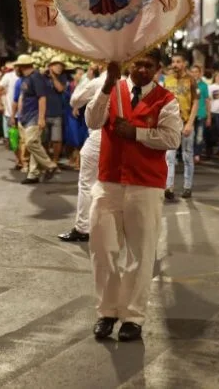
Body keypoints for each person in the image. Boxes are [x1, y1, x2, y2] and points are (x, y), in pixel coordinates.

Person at [85, 50, 181, 342]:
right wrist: (105, 85)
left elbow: (172, 138)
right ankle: (106, 313)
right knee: (103, 250)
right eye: (137, 63)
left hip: (146, 185)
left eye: (148, 65)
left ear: (158, 69)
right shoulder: (111, 89)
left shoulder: (167, 100)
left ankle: (132, 317)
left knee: (141, 253)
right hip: (109, 181)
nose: (141, 69)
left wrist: (137, 133)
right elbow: (92, 120)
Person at [59, 67, 106, 243]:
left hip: (99, 137)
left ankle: (83, 227)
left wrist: (88, 77)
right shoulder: (128, 82)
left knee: (87, 183)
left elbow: (75, 100)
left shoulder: (98, 81)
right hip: (124, 139)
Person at [16, 54, 57, 183]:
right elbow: (23, 97)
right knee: (34, 144)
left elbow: (42, 98)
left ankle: (50, 165)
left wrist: (41, 118)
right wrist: (19, 115)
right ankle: (33, 174)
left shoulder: (35, 77)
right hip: (25, 115)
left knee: (31, 142)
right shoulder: (25, 78)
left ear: (22, 66)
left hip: (34, 115)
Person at [163, 51, 198, 200]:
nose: (175, 65)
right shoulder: (168, 80)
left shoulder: (191, 80)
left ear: (184, 64)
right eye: (173, 62)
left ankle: (187, 187)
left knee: (187, 156)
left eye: (178, 62)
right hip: (171, 123)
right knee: (169, 156)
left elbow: (196, 101)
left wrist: (190, 123)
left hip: (185, 123)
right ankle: (168, 187)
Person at [191, 64, 210, 162]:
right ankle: (188, 153)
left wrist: (209, 116)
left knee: (199, 135)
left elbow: (207, 100)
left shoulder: (204, 85)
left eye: (196, 72)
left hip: (201, 114)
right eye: (193, 72)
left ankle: (196, 154)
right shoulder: (188, 84)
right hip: (189, 115)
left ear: (200, 73)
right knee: (189, 135)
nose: (195, 74)